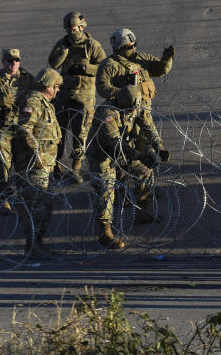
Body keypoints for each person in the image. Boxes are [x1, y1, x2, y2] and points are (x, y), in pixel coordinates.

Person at [86, 85, 169, 248]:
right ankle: (105, 233)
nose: (133, 111)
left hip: (128, 151)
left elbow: (148, 126)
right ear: (121, 102)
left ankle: (140, 211)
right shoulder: (108, 113)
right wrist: (139, 155)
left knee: (146, 174)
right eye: (130, 108)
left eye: (135, 107)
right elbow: (114, 143)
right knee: (106, 191)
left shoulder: (136, 106)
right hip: (103, 155)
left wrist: (159, 146)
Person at [96, 28, 174, 162]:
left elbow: (161, 69)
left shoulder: (142, 59)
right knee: (127, 146)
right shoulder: (110, 65)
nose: (133, 48)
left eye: (134, 45)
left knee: (146, 142)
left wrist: (167, 59)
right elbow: (102, 87)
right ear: (119, 48)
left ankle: (143, 173)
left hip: (144, 110)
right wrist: (123, 93)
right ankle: (126, 170)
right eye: (129, 46)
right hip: (126, 113)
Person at [48, 12, 107, 182]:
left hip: (84, 95)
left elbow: (103, 66)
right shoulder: (63, 43)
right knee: (59, 131)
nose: (70, 32)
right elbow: (53, 63)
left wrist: (85, 68)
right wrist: (64, 50)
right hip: (63, 93)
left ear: (82, 28)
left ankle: (76, 166)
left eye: (73, 29)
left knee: (80, 132)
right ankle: (56, 166)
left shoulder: (92, 45)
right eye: (68, 29)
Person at [13, 69, 63, 260]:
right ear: (47, 85)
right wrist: (38, 155)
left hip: (46, 165)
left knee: (45, 207)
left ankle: (38, 244)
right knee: (35, 207)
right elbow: (25, 130)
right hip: (35, 165)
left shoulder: (46, 103)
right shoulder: (33, 102)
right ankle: (32, 246)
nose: (57, 90)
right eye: (56, 86)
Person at [0, 48, 36, 210]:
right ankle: (4, 197)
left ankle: (23, 196)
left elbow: (38, 96)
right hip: (3, 128)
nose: (13, 64)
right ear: (3, 62)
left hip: (21, 128)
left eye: (16, 60)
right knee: (2, 164)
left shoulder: (27, 78)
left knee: (23, 163)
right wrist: (0, 102)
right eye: (9, 60)